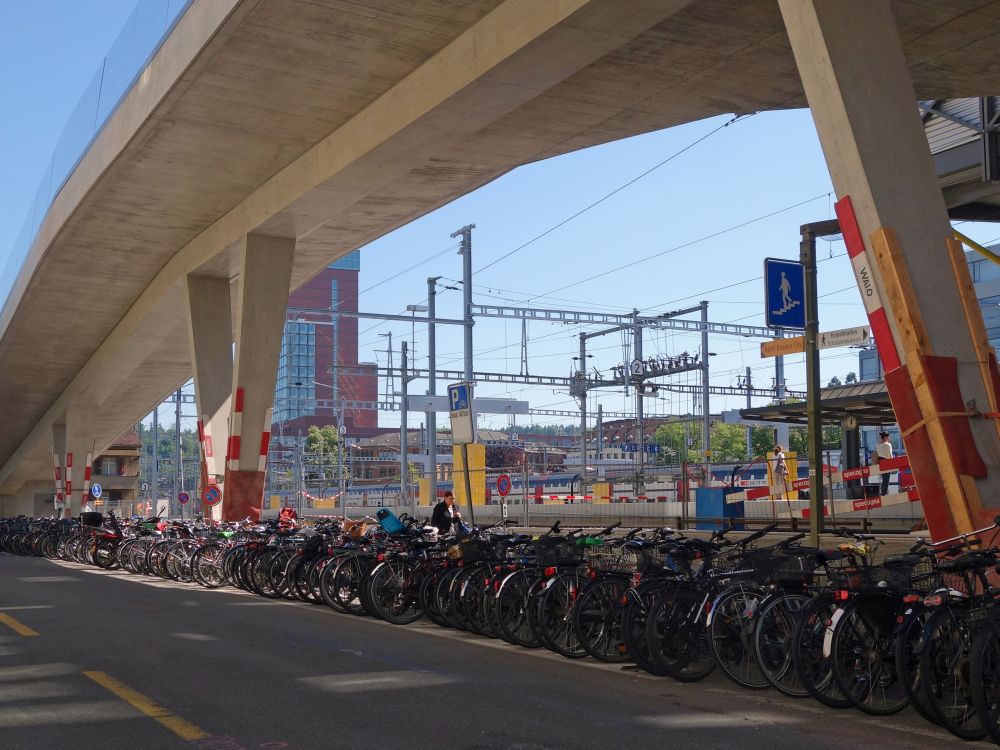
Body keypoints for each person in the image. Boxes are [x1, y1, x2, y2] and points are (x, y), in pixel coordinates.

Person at [875, 431, 894, 496]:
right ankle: (884, 493)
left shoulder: (877, 446)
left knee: (883, 479)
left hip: (880, 462)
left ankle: (882, 493)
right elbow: (890, 456)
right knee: (886, 480)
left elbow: (876, 455)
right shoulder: (888, 445)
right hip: (887, 462)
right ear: (886, 437)